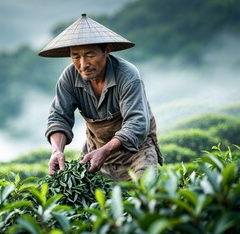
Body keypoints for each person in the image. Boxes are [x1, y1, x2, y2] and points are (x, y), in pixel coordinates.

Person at [38, 14, 163, 182]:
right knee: (86, 202)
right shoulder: (69, 78)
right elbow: (59, 118)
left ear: (107, 50)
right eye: (76, 56)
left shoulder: (127, 76)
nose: (83, 64)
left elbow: (137, 122)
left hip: (136, 153)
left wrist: (105, 150)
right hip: (95, 151)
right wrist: (57, 151)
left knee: (145, 198)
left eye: (90, 55)